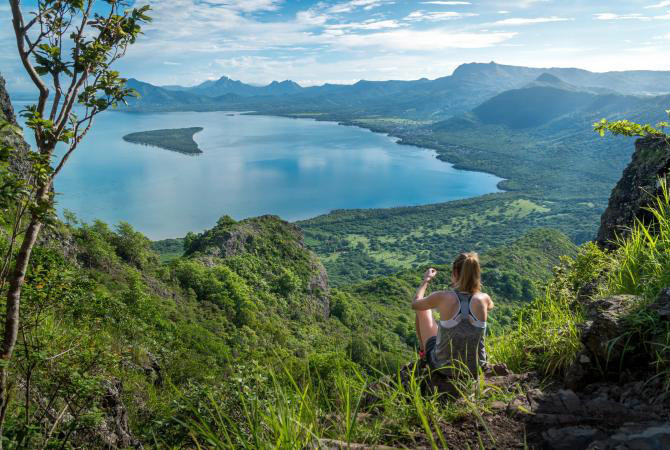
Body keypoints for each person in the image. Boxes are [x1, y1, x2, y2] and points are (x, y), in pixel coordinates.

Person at [411, 252, 494, 378]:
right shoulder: (485, 299)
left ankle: (423, 355)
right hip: (476, 368)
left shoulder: (442, 297)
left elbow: (415, 304)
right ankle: (425, 354)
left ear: (455, 273)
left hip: (444, 368)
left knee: (423, 310)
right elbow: (490, 307)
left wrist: (426, 280)